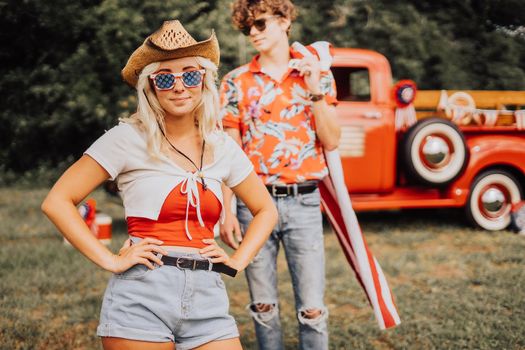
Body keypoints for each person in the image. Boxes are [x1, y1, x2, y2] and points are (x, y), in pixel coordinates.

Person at [42, 20, 277, 350]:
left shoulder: (222, 146)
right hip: (141, 296)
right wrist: (110, 260)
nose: (179, 86)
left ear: (204, 81)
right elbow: (58, 201)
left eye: (190, 74)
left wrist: (237, 260)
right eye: (165, 78)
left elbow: (265, 209)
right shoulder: (127, 138)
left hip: (208, 297)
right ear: (150, 86)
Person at [218, 1, 341, 349]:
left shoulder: (317, 75)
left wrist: (315, 89)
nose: (253, 33)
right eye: (247, 29)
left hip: (303, 201)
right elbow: (231, 152)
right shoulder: (235, 83)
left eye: (259, 24)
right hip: (253, 205)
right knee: (263, 306)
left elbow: (331, 140)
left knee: (313, 309)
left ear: (284, 20)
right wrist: (227, 209)